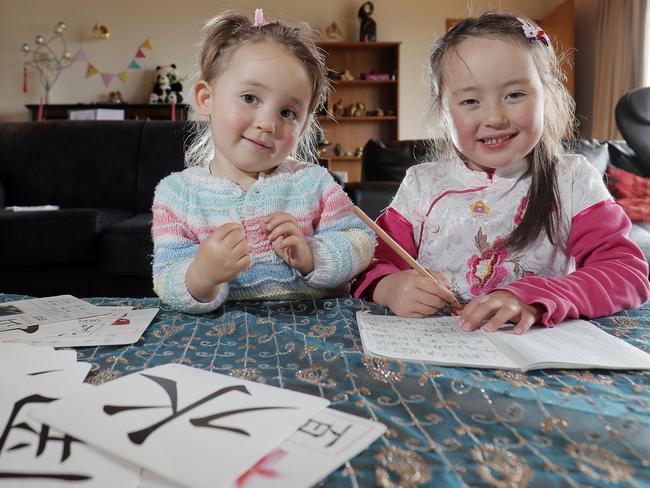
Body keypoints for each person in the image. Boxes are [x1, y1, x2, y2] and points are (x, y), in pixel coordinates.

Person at [352, 11, 649, 333]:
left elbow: (626, 274)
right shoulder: (421, 185)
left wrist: (535, 298)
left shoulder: (573, 180)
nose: (494, 117)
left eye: (514, 95)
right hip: (437, 346)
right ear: (443, 112)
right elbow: (368, 265)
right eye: (469, 100)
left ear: (546, 97)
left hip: (535, 352)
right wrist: (389, 287)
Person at [152, 10, 374, 313]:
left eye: (287, 113)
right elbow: (165, 277)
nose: (268, 123)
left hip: (317, 335)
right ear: (207, 98)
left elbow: (361, 242)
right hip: (221, 344)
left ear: (304, 126)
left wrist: (312, 255)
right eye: (250, 98)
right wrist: (202, 275)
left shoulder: (315, 183)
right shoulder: (176, 194)